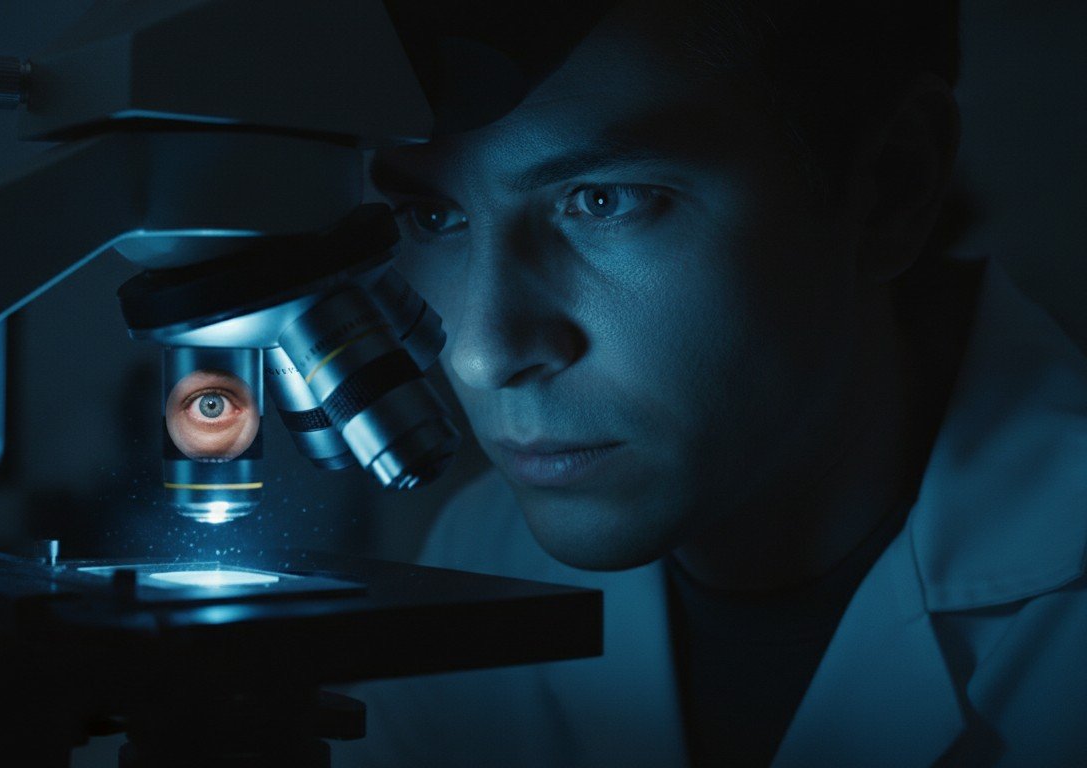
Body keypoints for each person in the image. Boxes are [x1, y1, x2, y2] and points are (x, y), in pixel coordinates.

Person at [333, 0, 1087, 765]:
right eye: (432, 217)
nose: (481, 355)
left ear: (892, 183)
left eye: (603, 200)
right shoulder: (481, 550)